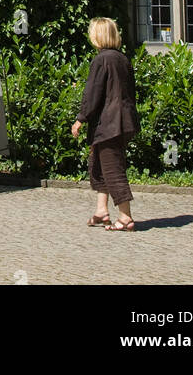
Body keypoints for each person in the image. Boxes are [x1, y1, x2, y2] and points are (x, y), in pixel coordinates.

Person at [71, 16, 139, 232]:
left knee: (113, 170)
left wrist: (81, 118)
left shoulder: (101, 60)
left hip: (109, 124)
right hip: (122, 122)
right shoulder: (122, 58)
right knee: (99, 167)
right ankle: (102, 211)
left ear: (97, 36)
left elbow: (93, 94)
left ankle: (126, 217)